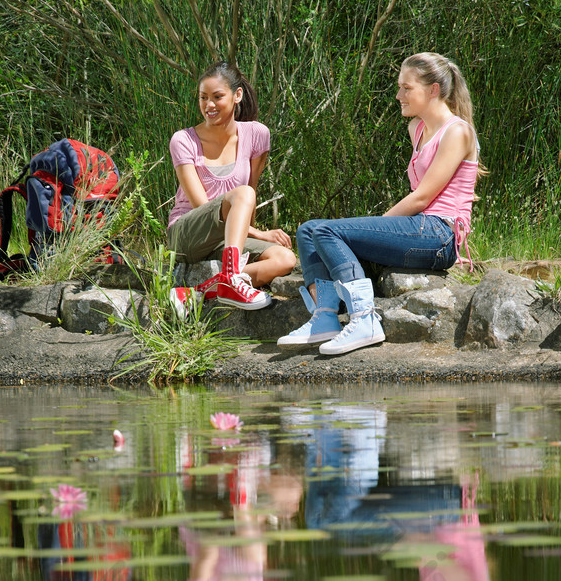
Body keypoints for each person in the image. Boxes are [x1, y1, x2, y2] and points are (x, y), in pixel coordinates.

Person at [278, 52, 482, 354]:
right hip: (420, 229)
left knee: (327, 232)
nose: (399, 95)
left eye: (406, 88)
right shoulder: (418, 129)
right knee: (309, 230)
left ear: (433, 90)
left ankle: (363, 319)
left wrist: (378, 225)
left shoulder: (458, 132)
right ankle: (325, 317)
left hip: (440, 235)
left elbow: (423, 197)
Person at [168, 62, 296, 314]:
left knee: (285, 259)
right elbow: (204, 208)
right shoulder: (183, 140)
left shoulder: (257, 135)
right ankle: (233, 278)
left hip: (227, 241)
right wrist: (260, 234)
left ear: (237, 96)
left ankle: (199, 291)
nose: (209, 105)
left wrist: (252, 232)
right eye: (203, 98)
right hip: (187, 235)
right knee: (243, 194)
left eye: (217, 97)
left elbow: (250, 197)